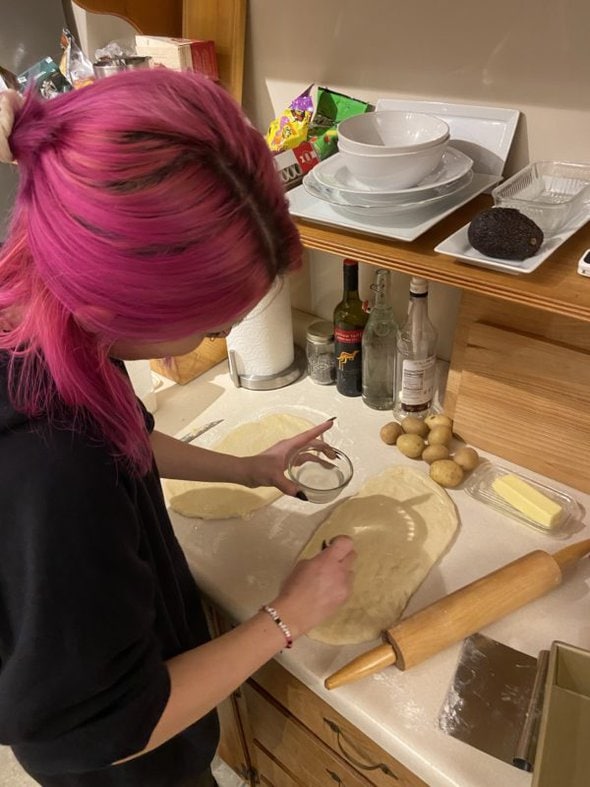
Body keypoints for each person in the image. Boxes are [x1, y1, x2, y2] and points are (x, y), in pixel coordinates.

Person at [0, 70, 355, 787]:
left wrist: (249, 467)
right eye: (212, 321)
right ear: (120, 299)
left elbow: (120, 441)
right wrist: (285, 617)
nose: (216, 334)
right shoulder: (50, 468)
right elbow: (98, 729)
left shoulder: (45, 326)